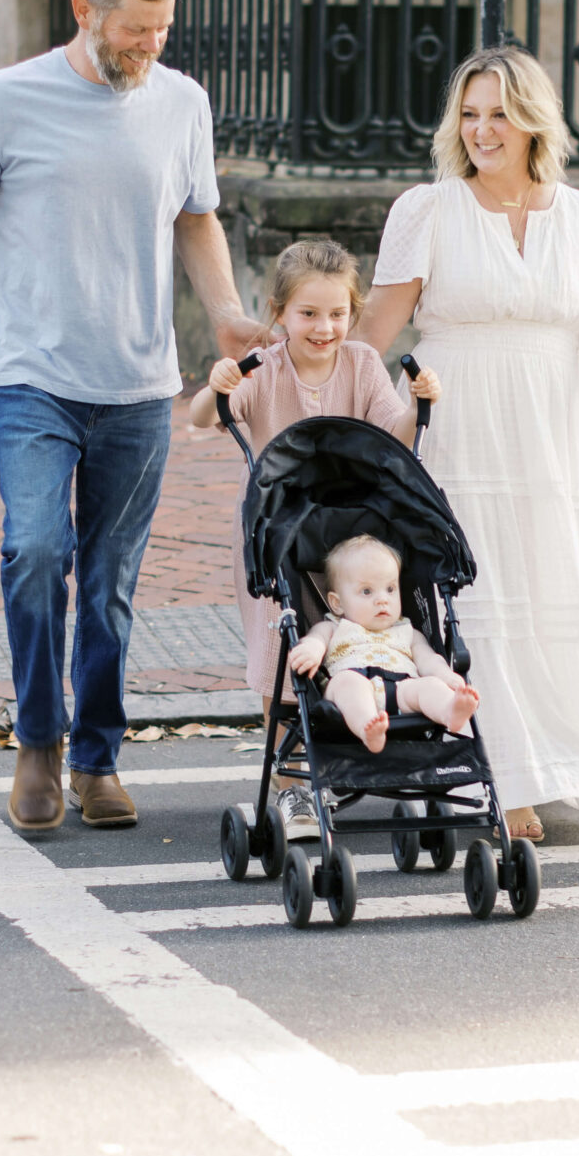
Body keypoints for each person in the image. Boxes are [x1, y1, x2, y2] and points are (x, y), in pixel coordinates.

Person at [0, 0, 260, 834]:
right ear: (84, 10)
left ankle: (96, 759)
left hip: (137, 385)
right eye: (136, 28)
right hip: (33, 379)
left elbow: (197, 219)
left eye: (162, 30)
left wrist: (226, 312)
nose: (151, 45)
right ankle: (37, 741)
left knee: (108, 581)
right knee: (38, 551)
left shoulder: (181, 104)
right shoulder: (7, 100)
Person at [359, 46, 579, 842]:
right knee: (478, 598)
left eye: (499, 113)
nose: (482, 130)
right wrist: (317, 407)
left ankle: (557, 762)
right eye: (470, 114)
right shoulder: (427, 210)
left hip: (555, 427)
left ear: (533, 121)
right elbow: (370, 333)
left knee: (555, 595)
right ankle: (498, 776)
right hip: (458, 425)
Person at [190, 235, 439, 837]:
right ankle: (294, 786)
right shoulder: (266, 368)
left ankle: (378, 739)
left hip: (352, 534)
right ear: (279, 314)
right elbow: (203, 419)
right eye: (308, 314)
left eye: (336, 313)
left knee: (375, 641)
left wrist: (416, 403)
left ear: (351, 315)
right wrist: (216, 386)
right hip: (279, 531)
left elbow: (392, 434)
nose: (323, 327)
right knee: (283, 655)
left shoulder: (359, 364)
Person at [290, 534, 480, 753]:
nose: (383, 599)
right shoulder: (334, 627)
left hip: (401, 688)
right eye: (367, 591)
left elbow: (429, 660)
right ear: (337, 603)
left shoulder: (408, 632)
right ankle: (367, 728)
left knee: (429, 686)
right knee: (348, 684)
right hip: (352, 683)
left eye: (390, 589)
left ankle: (450, 711)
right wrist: (311, 649)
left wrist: (447, 677)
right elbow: (316, 639)